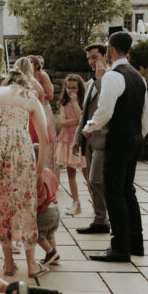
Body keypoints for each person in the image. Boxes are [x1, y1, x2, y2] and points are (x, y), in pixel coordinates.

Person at [0, 69, 49, 280]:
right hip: (19, 151)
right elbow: (45, 139)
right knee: (24, 203)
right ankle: (31, 265)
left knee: (0, 202)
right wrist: (40, 171)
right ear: (24, 83)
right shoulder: (29, 96)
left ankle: (8, 263)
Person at [82, 30, 148, 263]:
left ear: (110, 50)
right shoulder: (138, 77)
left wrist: (90, 127)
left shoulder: (113, 76)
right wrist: (138, 136)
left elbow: (104, 112)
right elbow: (146, 117)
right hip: (135, 138)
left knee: (114, 192)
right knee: (128, 190)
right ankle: (136, 242)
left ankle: (120, 247)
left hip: (120, 140)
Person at [72, 43, 110, 235]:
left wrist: (101, 79)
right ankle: (100, 220)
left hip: (104, 139)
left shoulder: (110, 79)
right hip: (88, 140)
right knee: (92, 181)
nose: (91, 61)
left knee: (96, 180)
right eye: (88, 58)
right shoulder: (89, 83)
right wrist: (77, 138)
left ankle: (106, 219)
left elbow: (106, 107)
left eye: (94, 57)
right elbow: (84, 114)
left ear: (105, 56)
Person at [56, 74, 89, 216]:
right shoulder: (63, 103)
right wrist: (79, 119)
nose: (71, 91)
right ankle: (76, 202)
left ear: (79, 89)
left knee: (87, 173)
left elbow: (84, 117)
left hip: (80, 140)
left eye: (74, 88)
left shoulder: (83, 102)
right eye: (68, 87)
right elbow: (63, 122)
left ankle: (96, 201)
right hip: (67, 139)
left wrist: (76, 104)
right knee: (70, 173)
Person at [30, 56, 58, 176]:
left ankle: (49, 175)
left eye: (30, 62)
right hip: (29, 109)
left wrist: (34, 95)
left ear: (36, 65)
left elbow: (50, 95)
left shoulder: (42, 75)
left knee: (45, 139)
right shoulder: (24, 77)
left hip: (43, 108)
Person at [34, 144, 60, 266]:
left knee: (37, 234)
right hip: (55, 208)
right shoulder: (49, 171)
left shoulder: (38, 176)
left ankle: (50, 252)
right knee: (50, 233)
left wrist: (33, 208)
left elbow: (43, 196)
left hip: (45, 212)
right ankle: (54, 254)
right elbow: (55, 184)